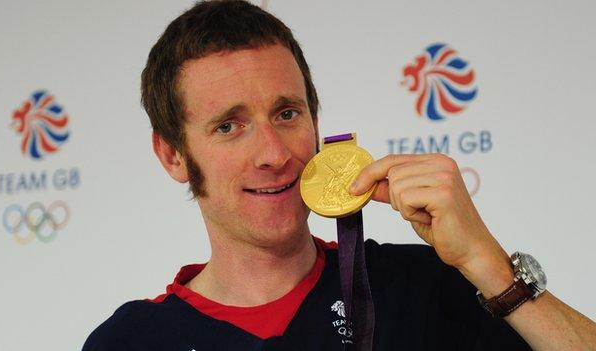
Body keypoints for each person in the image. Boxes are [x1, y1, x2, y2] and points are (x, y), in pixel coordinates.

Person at [83, 1, 596, 350]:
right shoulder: (132, 340)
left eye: (287, 114)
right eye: (229, 126)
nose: (273, 153)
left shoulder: (422, 287)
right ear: (173, 155)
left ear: (316, 123)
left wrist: (488, 266)